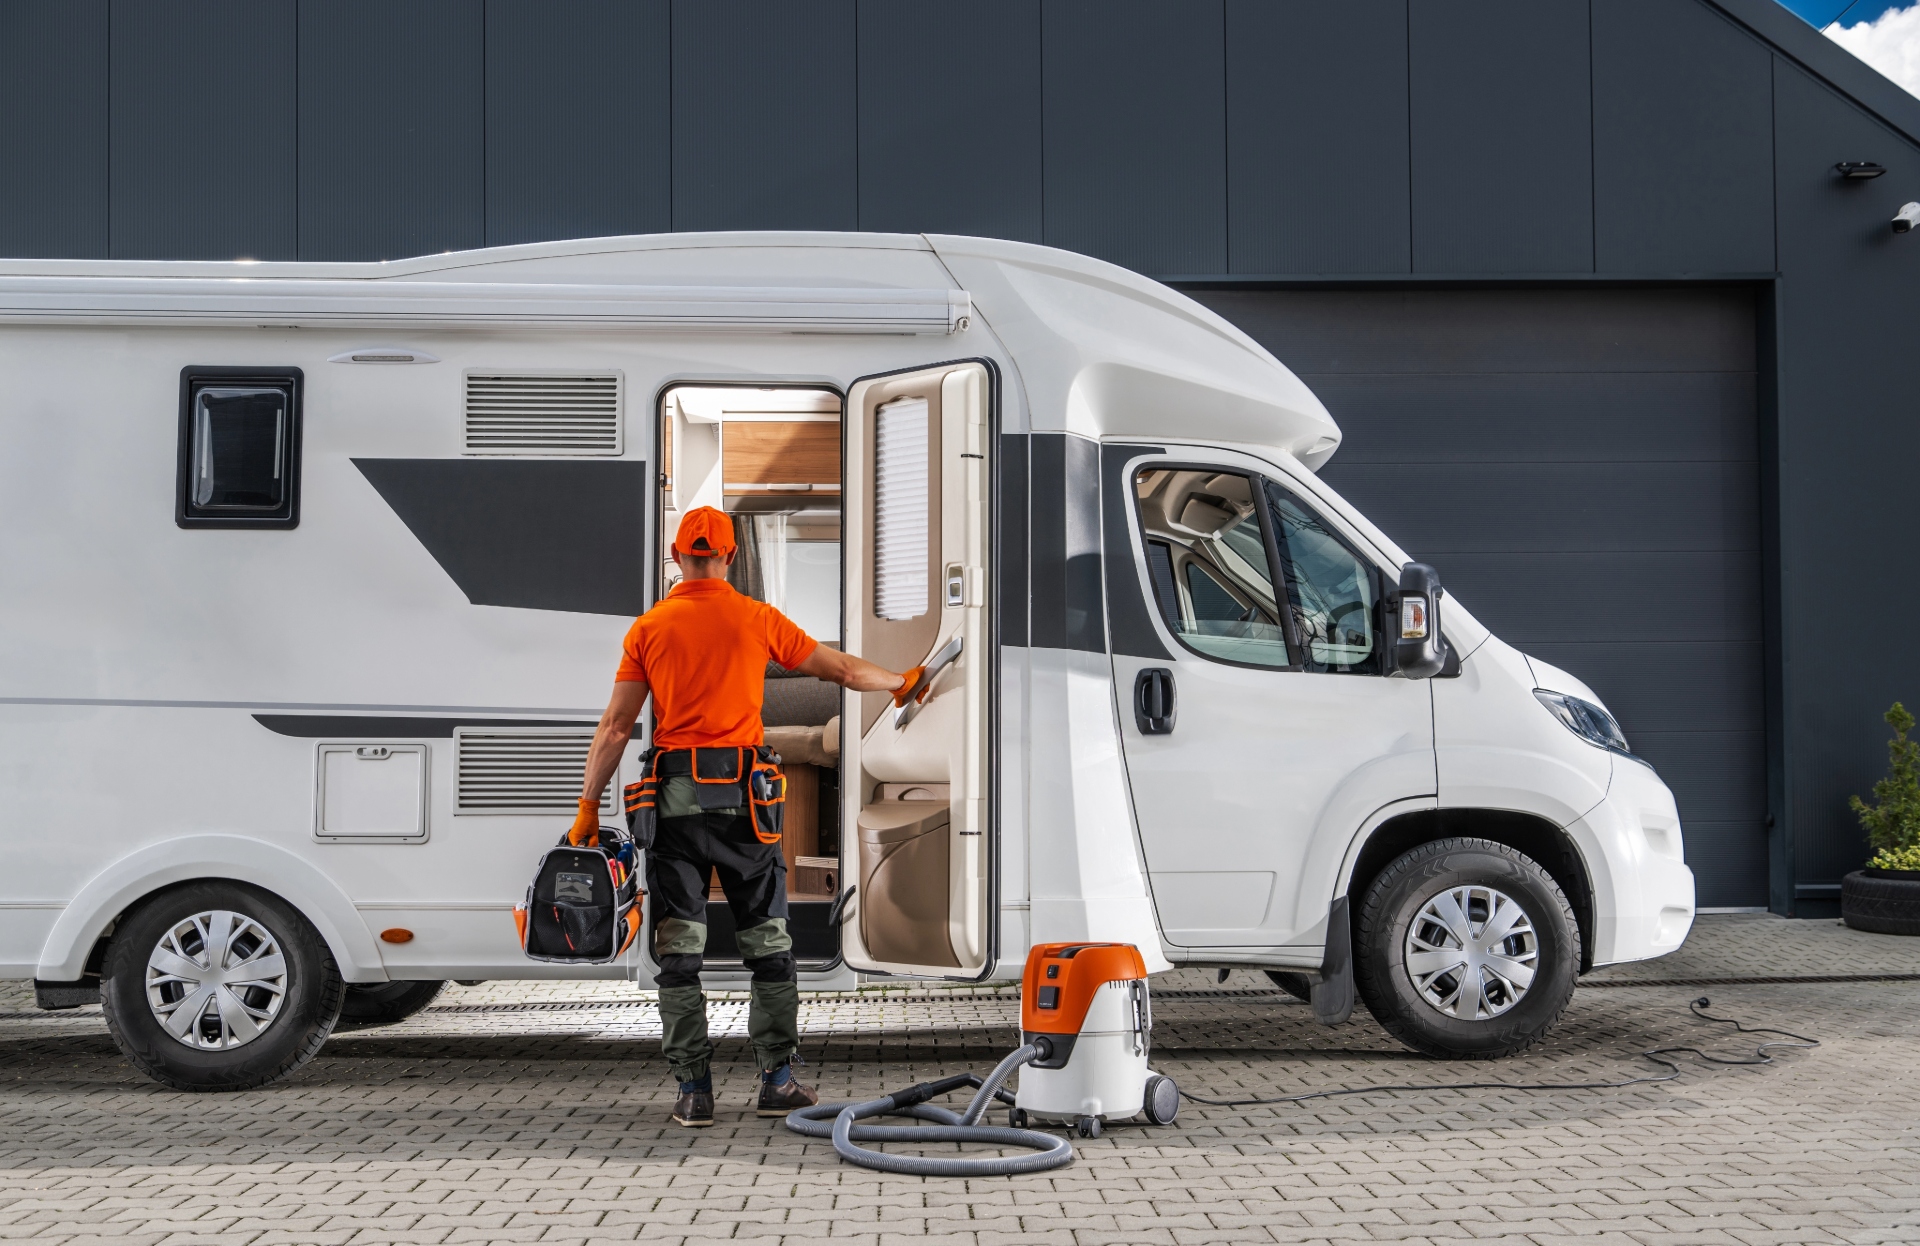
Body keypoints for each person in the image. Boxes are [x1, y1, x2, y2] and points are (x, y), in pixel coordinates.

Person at [569, 506, 925, 1127]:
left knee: (679, 949)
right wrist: (900, 681)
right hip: (747, 809)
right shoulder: (755, 618)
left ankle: (694, 1093)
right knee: (768, 944)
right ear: (730, 557)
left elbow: (617, 727)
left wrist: (586, 808)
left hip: (673, 808)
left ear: (677, 557)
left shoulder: (649, 628)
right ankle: (778, 1082)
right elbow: (840, 670)